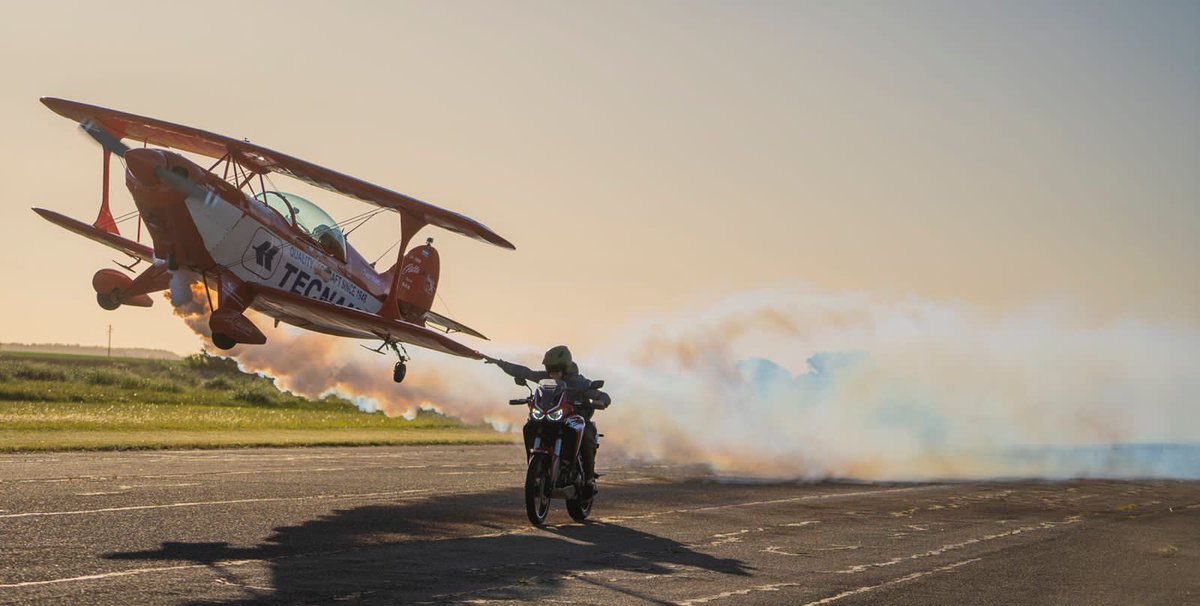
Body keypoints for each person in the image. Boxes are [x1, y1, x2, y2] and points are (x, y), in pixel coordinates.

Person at [484, 345, 609, 493]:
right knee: (529, 426)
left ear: (565, 367)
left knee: (587, 434)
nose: (552, 372)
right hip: (551, 416)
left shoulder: (579, 382)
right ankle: (537, 467)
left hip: (573, 418)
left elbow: (601, 395)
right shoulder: (545, 378)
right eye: (550, 368)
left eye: (556, 368)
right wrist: (498, 362)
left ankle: (589, 480)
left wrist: (601, 401)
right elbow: (524, 372)